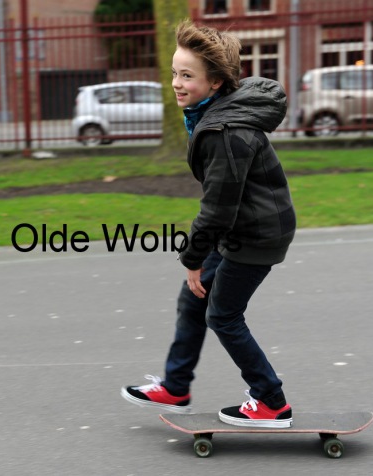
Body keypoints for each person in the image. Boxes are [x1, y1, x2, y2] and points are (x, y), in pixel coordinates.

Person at [120, 20, 296, 428]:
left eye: (187, 75)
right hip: (245, 225)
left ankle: (271, 400)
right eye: (174, 73)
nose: (176, 83)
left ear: (216, 82)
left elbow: (217, 208)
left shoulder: (222, 130)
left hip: (256, 233)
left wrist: (193, 257)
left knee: (223, 315)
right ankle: (176, 386)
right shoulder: (213, 113)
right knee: (193, 300)